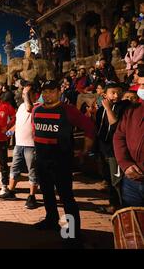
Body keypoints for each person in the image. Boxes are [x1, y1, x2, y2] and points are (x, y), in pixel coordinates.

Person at [32, 80, 95, 247]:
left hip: (61, 162)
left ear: (59, 92)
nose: (47, 95)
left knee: (66, 197)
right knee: (47, 194)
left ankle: (73, 233)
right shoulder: (36, 110)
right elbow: (35, 131)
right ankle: (51, 220)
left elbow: (88, 126)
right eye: (44, 92)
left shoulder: (68, 110)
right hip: (42, 161)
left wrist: (86, 150)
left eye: (51, 91)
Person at [0, 84, 39, 209]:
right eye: (23, 93)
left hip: (31, 145)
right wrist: (10, 130)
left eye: (27, 93)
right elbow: (19, 122)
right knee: (14, 169)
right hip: (19, 144)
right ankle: (11, 190)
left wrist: (26, 95)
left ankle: (32, 196)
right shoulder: (21, 106)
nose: (24, 95)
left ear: (34, 95)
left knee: (32, 171)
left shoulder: (38, 106)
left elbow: (29, 109)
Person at [95, 83, 129, 213]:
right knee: (108, 178)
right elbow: (99, 129)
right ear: (105, 94)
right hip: (104, 149)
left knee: (117, 181)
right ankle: (113, 205)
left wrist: (108, 109)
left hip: (116, 150)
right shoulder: (101, 109)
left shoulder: (124, 107)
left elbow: (115, 125)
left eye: (119, 92)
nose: (116, 95)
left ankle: (123, 208)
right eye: (113, 92)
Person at [113, 69, 144, 207]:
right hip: (132, 180)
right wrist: (125, 164)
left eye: (143, 85)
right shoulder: (133, 110)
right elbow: (119, 136)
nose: (140, 89)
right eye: (140, 85)